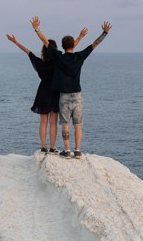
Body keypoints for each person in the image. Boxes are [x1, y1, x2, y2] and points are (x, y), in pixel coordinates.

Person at [31, 16, 112, 158]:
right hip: (77, 95)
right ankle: (78, 150)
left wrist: (37, 29)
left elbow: (45, 42)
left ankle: (67, 150)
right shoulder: (80, 57)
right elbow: (94, 44)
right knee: (78, 124)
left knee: (65, 124)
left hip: (64, 96)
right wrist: (104, 33)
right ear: (73, 46)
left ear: (62, 47)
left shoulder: (58, 57)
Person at [6, 28, 87, 152]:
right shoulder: (57, 61)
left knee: (43, 121)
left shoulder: (39, 62)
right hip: (54, 91)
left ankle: (43, 147)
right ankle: (53, 147)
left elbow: (28, 52)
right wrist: (80, 37)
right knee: (53, 122)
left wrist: (15, 42)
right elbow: (70, 50)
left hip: (43, 92)